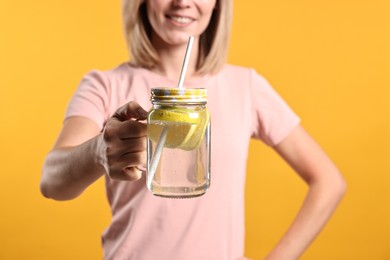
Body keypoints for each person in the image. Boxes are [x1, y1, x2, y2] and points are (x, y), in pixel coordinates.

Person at [40, 0, 347, 259]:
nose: (182, 1)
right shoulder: (105, 86)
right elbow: (52, 181)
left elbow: (329, 181)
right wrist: (97, 152)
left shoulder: (246, 87)